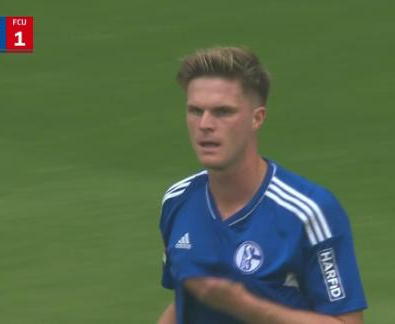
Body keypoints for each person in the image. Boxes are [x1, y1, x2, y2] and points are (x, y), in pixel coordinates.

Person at [157, 47, 367, 324]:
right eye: (195, 111)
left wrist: (244, 306)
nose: (205, 125)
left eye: (222, 112)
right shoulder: (177, 201)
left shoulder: (308, 212)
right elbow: (184, 303)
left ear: (257, 118)